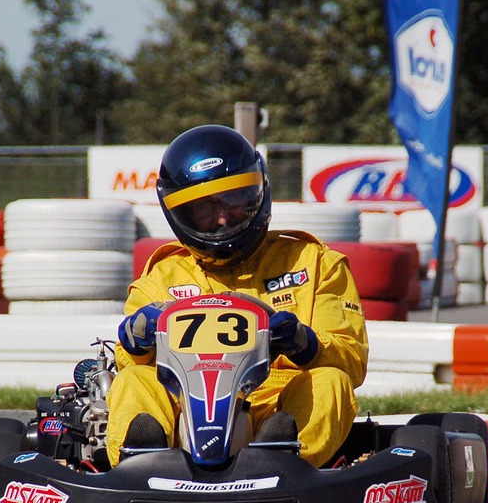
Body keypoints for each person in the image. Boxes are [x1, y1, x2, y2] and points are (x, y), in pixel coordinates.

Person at [106, 124, 369, 468]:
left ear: (257, 191)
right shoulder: (161, 278)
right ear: (179, 213)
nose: (221, 216)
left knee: (332, 381)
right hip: (190, 408)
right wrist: (137, 339)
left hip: (280, 406)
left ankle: (280, 459)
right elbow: (129, 362)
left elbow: (351, 359)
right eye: (203, 206)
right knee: (133, 380)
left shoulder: (316, 263)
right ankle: (142, 463)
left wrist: (304, 342)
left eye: (233, 199)